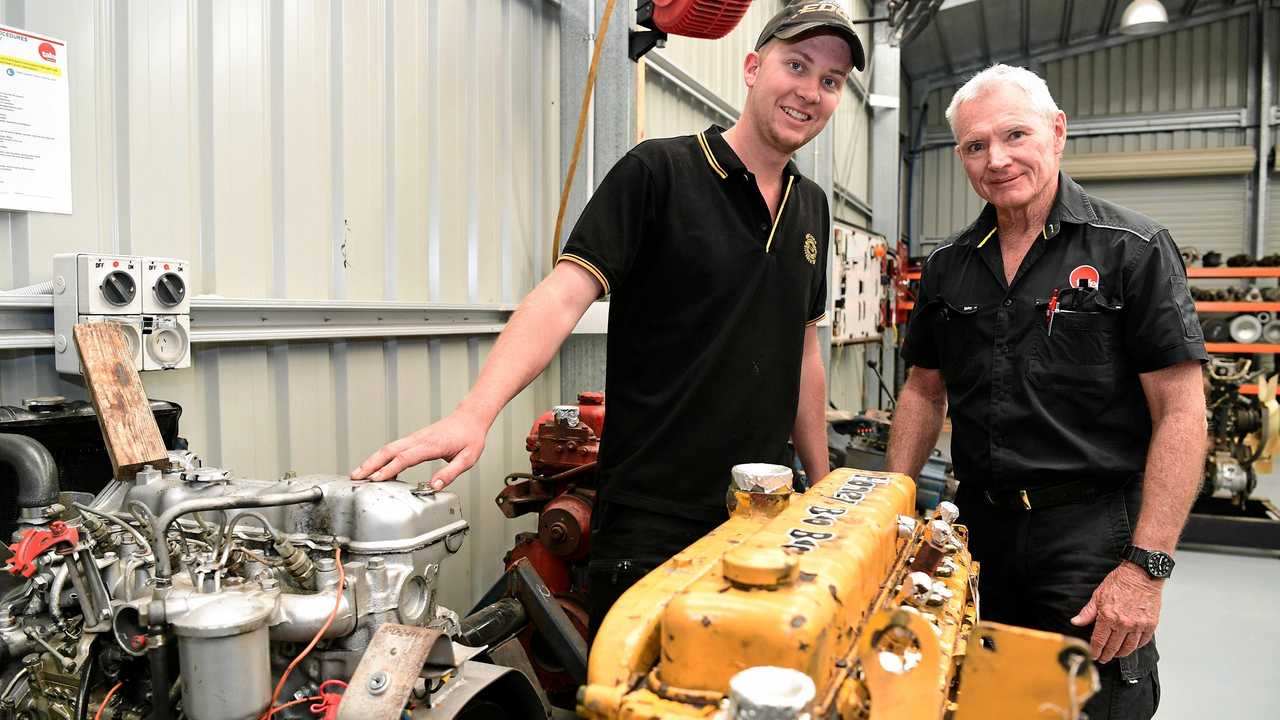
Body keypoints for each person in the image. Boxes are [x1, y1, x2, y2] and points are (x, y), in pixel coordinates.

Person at [352, 2, 865, 639]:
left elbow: (804, 350)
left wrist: (821, 487)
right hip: (653, 518)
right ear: (753, 68)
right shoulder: (660, 172)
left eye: (831, 80)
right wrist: (475, 412)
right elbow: (563, 296)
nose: (811, 91)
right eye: (798, 65)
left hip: (762, 515)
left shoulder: (811, 207)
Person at [886, 64, 1207, 719]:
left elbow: (1182, 409)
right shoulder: (948, 266)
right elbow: (923, 391)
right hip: (977, 532)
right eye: (976, 146)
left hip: (1091, 536)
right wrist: (890, 514)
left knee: (1093, 707)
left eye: (1014, 135)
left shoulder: (1131, 249)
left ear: (1056, 133)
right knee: (981, 701)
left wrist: (1146, 568)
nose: (996, 159)